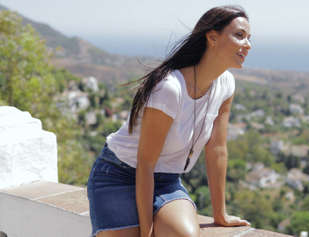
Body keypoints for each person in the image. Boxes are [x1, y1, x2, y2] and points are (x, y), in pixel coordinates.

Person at [87, 5, 252, 237]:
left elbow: (217, 149)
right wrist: (147, 234)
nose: (248, 45)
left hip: (166, 181)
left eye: (248, 38)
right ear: (212, 38)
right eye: (240, 35)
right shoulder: (170, 88)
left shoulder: (226, 85)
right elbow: (145, 164)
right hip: (119, 175)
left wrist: (220, 215)